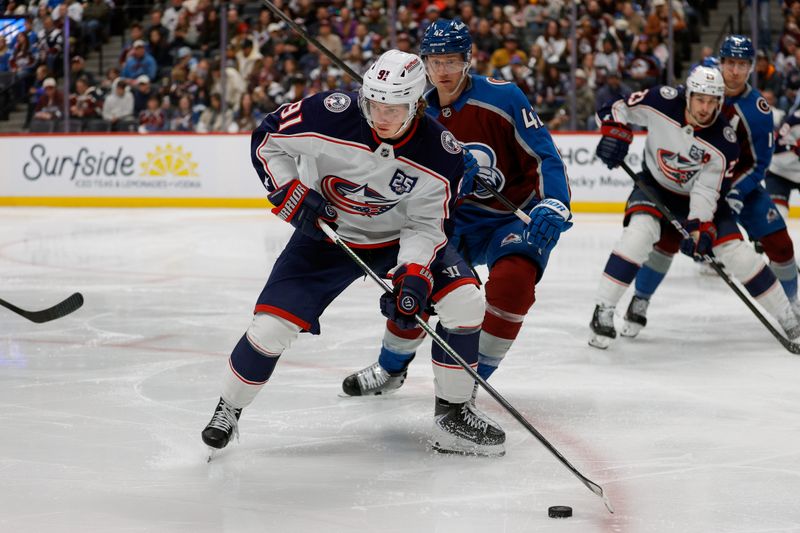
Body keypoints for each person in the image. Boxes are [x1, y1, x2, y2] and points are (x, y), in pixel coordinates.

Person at [200, 49, 505, 457]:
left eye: (393, 109)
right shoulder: (329, 113)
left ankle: (452, 415)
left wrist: (413, 273)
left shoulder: (441, 153)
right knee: (270, 328)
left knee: (466, 303)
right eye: (374, 103)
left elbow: (426, 225)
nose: (380, 117)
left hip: (397, 238)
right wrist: (290, 192)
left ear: (416, 104)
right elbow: (269, 138)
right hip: (323, 235)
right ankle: (228, 408)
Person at [341, 19, 571, 397]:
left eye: (451, 61)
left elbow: (545, 154)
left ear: (468, 60)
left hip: (508, 219)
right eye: (434, 61)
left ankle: (472, 380)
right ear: (424, 64)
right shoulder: (413, 109)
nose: (442, 72)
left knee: (514, 282)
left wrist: (555, 202)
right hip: (450, 221)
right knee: (415, 286)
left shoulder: (504, 98)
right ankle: (390, 367)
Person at [588, 66, 800, 349]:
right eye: (700, 99)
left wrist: (699, 227)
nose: (705, 108)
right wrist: (616, 133)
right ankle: (603, 309)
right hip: (656, 188)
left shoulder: (724, 142)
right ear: (687, 95)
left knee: (739, 255)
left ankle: (787, 317)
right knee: (639, 235)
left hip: (697, 200)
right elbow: (616, 107)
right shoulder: (662, 99)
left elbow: (705, 191)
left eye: (713, 101)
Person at [766, 110, 800, 219]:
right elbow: (776, 145)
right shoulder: (796, 118)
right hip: (780, 172)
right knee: (777, 214)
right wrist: (794, 148)